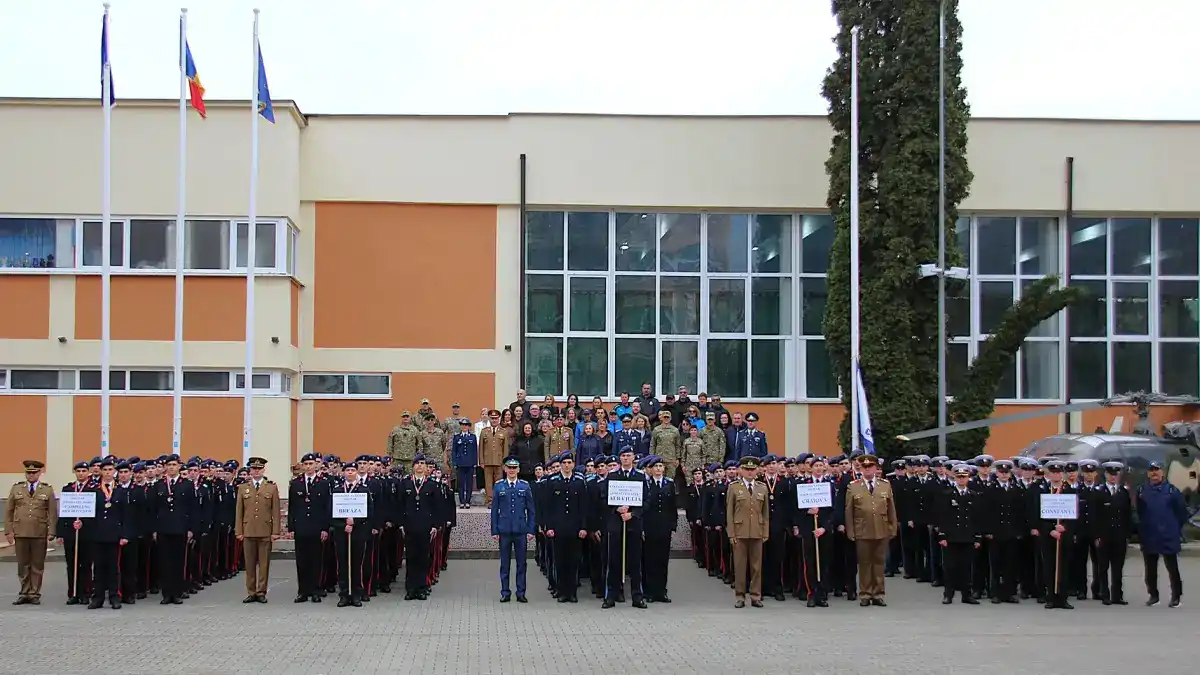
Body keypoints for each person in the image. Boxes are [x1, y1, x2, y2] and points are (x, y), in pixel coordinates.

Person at [844, 454, 898, 607]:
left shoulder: (885, 485)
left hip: (881, 529)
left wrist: (892, 527)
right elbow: (849, 510)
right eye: (864, 467)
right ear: (860, 468)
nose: (868, 470)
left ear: (876, 468)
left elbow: (891, 509)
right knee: (865, 563)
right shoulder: (853, 486)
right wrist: (850, 531)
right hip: (862, 530)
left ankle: (879, 593)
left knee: (879, 563)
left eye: (871, 467)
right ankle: (865, 594)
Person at [5, 460, 57, 605]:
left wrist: (52, 531)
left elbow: (52, 513)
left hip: (39, 532)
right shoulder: (17, 489)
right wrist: (8, 530)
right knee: (23, 564)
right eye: (29, 473)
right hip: (20, 531)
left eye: (34, 473)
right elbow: (9, 510)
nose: (31, 475)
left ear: (40, 473)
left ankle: (34, 593)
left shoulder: (47, 490)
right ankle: (24, 592)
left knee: (37, 564)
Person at [1136, 460, 1187, 608]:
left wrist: (1175, 528)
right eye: (1151, 470)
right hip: (1149, 535)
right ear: (1148, 473)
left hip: (1168, 535)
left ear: (1162, 472)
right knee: (1150, 569)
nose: (1154, 473)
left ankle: (1176, 597)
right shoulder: (1142, 490)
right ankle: (1153, 595)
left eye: (1157, 470)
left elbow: (1182, 512)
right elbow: (1140, 511)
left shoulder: (1172, 491)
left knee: (1172, 568)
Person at [601, 447, 646, 609]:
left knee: (635, 562)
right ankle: (610, 596)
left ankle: (637, 596)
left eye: (628, 455)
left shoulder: (640, 477)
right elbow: (604, 497)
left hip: (633, 524)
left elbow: (646, 501)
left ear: (633, 457)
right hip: (616, 523)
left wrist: (633, 514)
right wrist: (616, 508)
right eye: (623, 455)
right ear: (620, 458)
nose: (626, 458)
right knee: (613, 561)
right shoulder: (612, 475)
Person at [234, 456, 282, 603]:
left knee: (264, 563)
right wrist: (239, 531)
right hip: (248, 530)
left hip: (265, 530)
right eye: (254, 468)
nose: (256, 471)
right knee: (249, 563)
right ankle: (251, 591)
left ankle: (261, 591)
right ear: (250, 470)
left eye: (259, 468)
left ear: (263, 470)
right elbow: (239, 512)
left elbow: (275, 511)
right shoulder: (243, 488)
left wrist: (275, 531)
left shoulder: (271, 487)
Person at [149, 454, 195, 605]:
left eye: (174, 465)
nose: (171, 468)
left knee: (178, 561)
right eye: (168, 465)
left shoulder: (187, 484)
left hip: (180, 528)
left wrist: (190, 529)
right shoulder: (159, 485)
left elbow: (192, 508)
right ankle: (166, 594)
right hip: (163, 528)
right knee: (164, 562)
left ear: (179, 467)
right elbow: (153, 509)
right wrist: (154, 529)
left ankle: (177, 593)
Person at [726, 455, 769, 608]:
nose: (750, 472)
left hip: (757, 531)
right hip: (740, 531)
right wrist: (731, 533)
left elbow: (765, 513)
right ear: (740, 470)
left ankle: (756, 596)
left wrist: (765, 532)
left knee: (757, 566)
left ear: (757, 470)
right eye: (746, 469)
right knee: (740, 565)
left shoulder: (762, 487)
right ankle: (740, 596)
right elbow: (729, 513)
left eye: (752, 469)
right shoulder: (734, 487)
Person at [936, 465, 982, 605]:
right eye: (959, 477)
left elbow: (977, 518)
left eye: (964, 477)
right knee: (950, 567)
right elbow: (942, 516)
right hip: (951, 537)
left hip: (967, 536)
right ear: (954, 478)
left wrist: (978, 537)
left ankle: (966, 595)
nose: (962, 480)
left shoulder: (974, 495)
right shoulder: (947, 494)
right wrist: (942, 535)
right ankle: (948, 594)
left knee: (966, 567)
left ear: (968, 478)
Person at [288, 453, 331, 603]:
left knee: (316, 560)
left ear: (316, 465)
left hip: (317, 527)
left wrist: (325, 528)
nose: (308, 467)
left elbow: (327, 507)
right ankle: (303, 591)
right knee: (302, 560)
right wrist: (291, 527)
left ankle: (315, 590)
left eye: (311, 464)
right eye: (305, 464)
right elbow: (292, 507)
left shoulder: (323, 483)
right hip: (301, 527)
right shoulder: (296, 483)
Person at [546, 452, 588, 603]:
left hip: (575, 529)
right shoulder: (553, 481)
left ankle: (572, 592)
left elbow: (584, 507)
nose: (566, 465)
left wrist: (584, 527)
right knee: (560, 561)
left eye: (569, 462)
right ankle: (562, 591)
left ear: (573, 464)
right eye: (564, 463)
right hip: (558, 528)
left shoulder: (579, 481)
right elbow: (548, 507)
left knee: (574, 561)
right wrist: (549, 527)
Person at [492, 456, 536, 603]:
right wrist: (495, 531)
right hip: (504, 530)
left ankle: (521, 592)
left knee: (521, 563)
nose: (511, 470)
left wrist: (530, 530)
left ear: (518, 469)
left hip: (520, 530)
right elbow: (494, 510)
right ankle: (505, 592)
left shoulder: (524, 486)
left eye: (514, 468)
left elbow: (531, 510)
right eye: (509, 468)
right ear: (505, 469)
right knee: (505, 564)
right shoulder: (499, 486)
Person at [400, 455, 444, 601]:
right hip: (410, 526)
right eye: (417, 463)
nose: (419, 466)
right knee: (411, 558)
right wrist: (401, 524)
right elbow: (399, 504)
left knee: (423, 558)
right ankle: (410, 589)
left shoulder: (432, 485)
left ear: (426, 468)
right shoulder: (405, 483)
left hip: (425, 527)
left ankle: (422, 588)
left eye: (422, 463)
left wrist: (435, 525)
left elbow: (437, 507)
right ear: (413, 467)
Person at [334, 461, 374, 607]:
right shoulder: (338, 490)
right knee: (343, 564)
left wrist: (354, 522)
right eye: (348, 470)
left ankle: (356, 593)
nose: (350, 472)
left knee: (357, 564)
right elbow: (331, 514)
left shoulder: (363, 490)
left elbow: (369, 511)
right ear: (343, 473)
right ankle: (344, 594)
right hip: (341, 533)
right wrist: (343, 525)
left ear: (356, 472)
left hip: (358, 533)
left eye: (352, 470)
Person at [1093, 461, 1132, 605]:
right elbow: (1094, 516)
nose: (1113, 477)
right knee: (1103, 567)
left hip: (1119, 537)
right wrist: (1096, 535)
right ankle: (1105, 594)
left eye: (1116, 474)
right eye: (1111, 474)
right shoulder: (1099, 492)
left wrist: (1128, 535)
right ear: (1106, 475)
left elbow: (1127, 515)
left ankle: (1117, 595)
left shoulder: (1123, 492)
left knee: (1118, 568)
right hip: (1104, 537)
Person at [57, 461, 93, 605]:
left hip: (87, 533)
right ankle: (73, 593)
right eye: (78, 471)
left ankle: (85, 592)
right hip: (70, 533)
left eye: (84, 471)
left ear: (88, 472)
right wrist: (60, 533)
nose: (81, 473)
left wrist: (84, 522)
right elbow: (63, 513)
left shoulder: (93, 489)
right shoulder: (68, 489)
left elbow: (95, 513)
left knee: (85, 564)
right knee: (71, 564)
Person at [643, 456, 677, 603]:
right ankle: (649, 591)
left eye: (660, 466)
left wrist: (673, 525)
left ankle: (661, 591)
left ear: (664, 469)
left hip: (664, 527)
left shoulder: (669, 484)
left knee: (662, 561)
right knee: (649, 560)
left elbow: (673, 506)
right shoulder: (647, 484)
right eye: (655, 466)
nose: (658, 469)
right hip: (650, 527)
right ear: (650, 469)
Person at [452, 418, 479, 508]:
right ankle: (461, 501)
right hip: (460, 463)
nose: (464, 427)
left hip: (470, 463)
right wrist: (455, 462)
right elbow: (454, 451)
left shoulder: (472, 437)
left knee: (469, 483)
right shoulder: (457, 437)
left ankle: (467, 501)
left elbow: (475, 450)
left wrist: (475, 462)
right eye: (463, 425)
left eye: (466, 425)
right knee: (460, 483)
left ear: (469, 426)